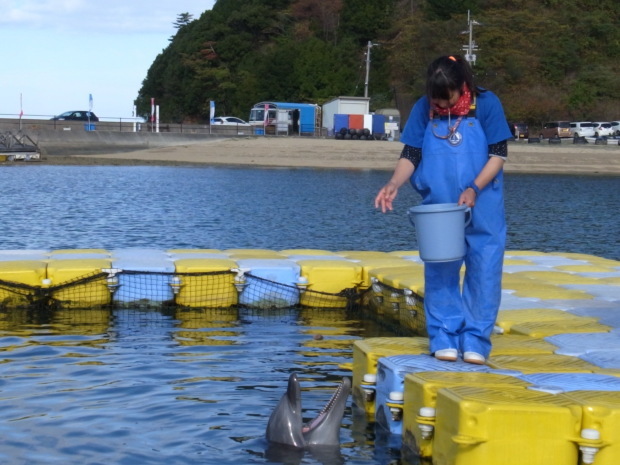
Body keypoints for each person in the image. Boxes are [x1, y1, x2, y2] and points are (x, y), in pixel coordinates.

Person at [374, 55, 512, 365]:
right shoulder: (425, 107)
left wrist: (474, 187)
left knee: (484, 270)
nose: (443, 107)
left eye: (447, 100)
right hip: (440, 206)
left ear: (462, 86)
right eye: (437, 100)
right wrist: (394, 183)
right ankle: (444, 337)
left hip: (482, 204)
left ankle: (476, 339)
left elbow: (498, 154)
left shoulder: (487, 103)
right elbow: (411, 152)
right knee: (440, 270)